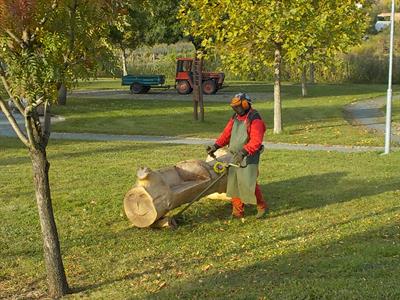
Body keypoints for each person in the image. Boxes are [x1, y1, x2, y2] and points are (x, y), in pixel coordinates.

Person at [206, 93, 268, 219]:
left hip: (249, 155)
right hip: (234, 155)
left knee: (248, 182)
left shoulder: (255, 119)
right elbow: (226, 134)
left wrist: (244, 152)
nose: (236, 109)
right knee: (234, 182)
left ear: (245, 105)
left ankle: (261, 206)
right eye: (234, 107)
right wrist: (216, 146)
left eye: (238, 107)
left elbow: (256, 141)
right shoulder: (235, 117)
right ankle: (237, 212)